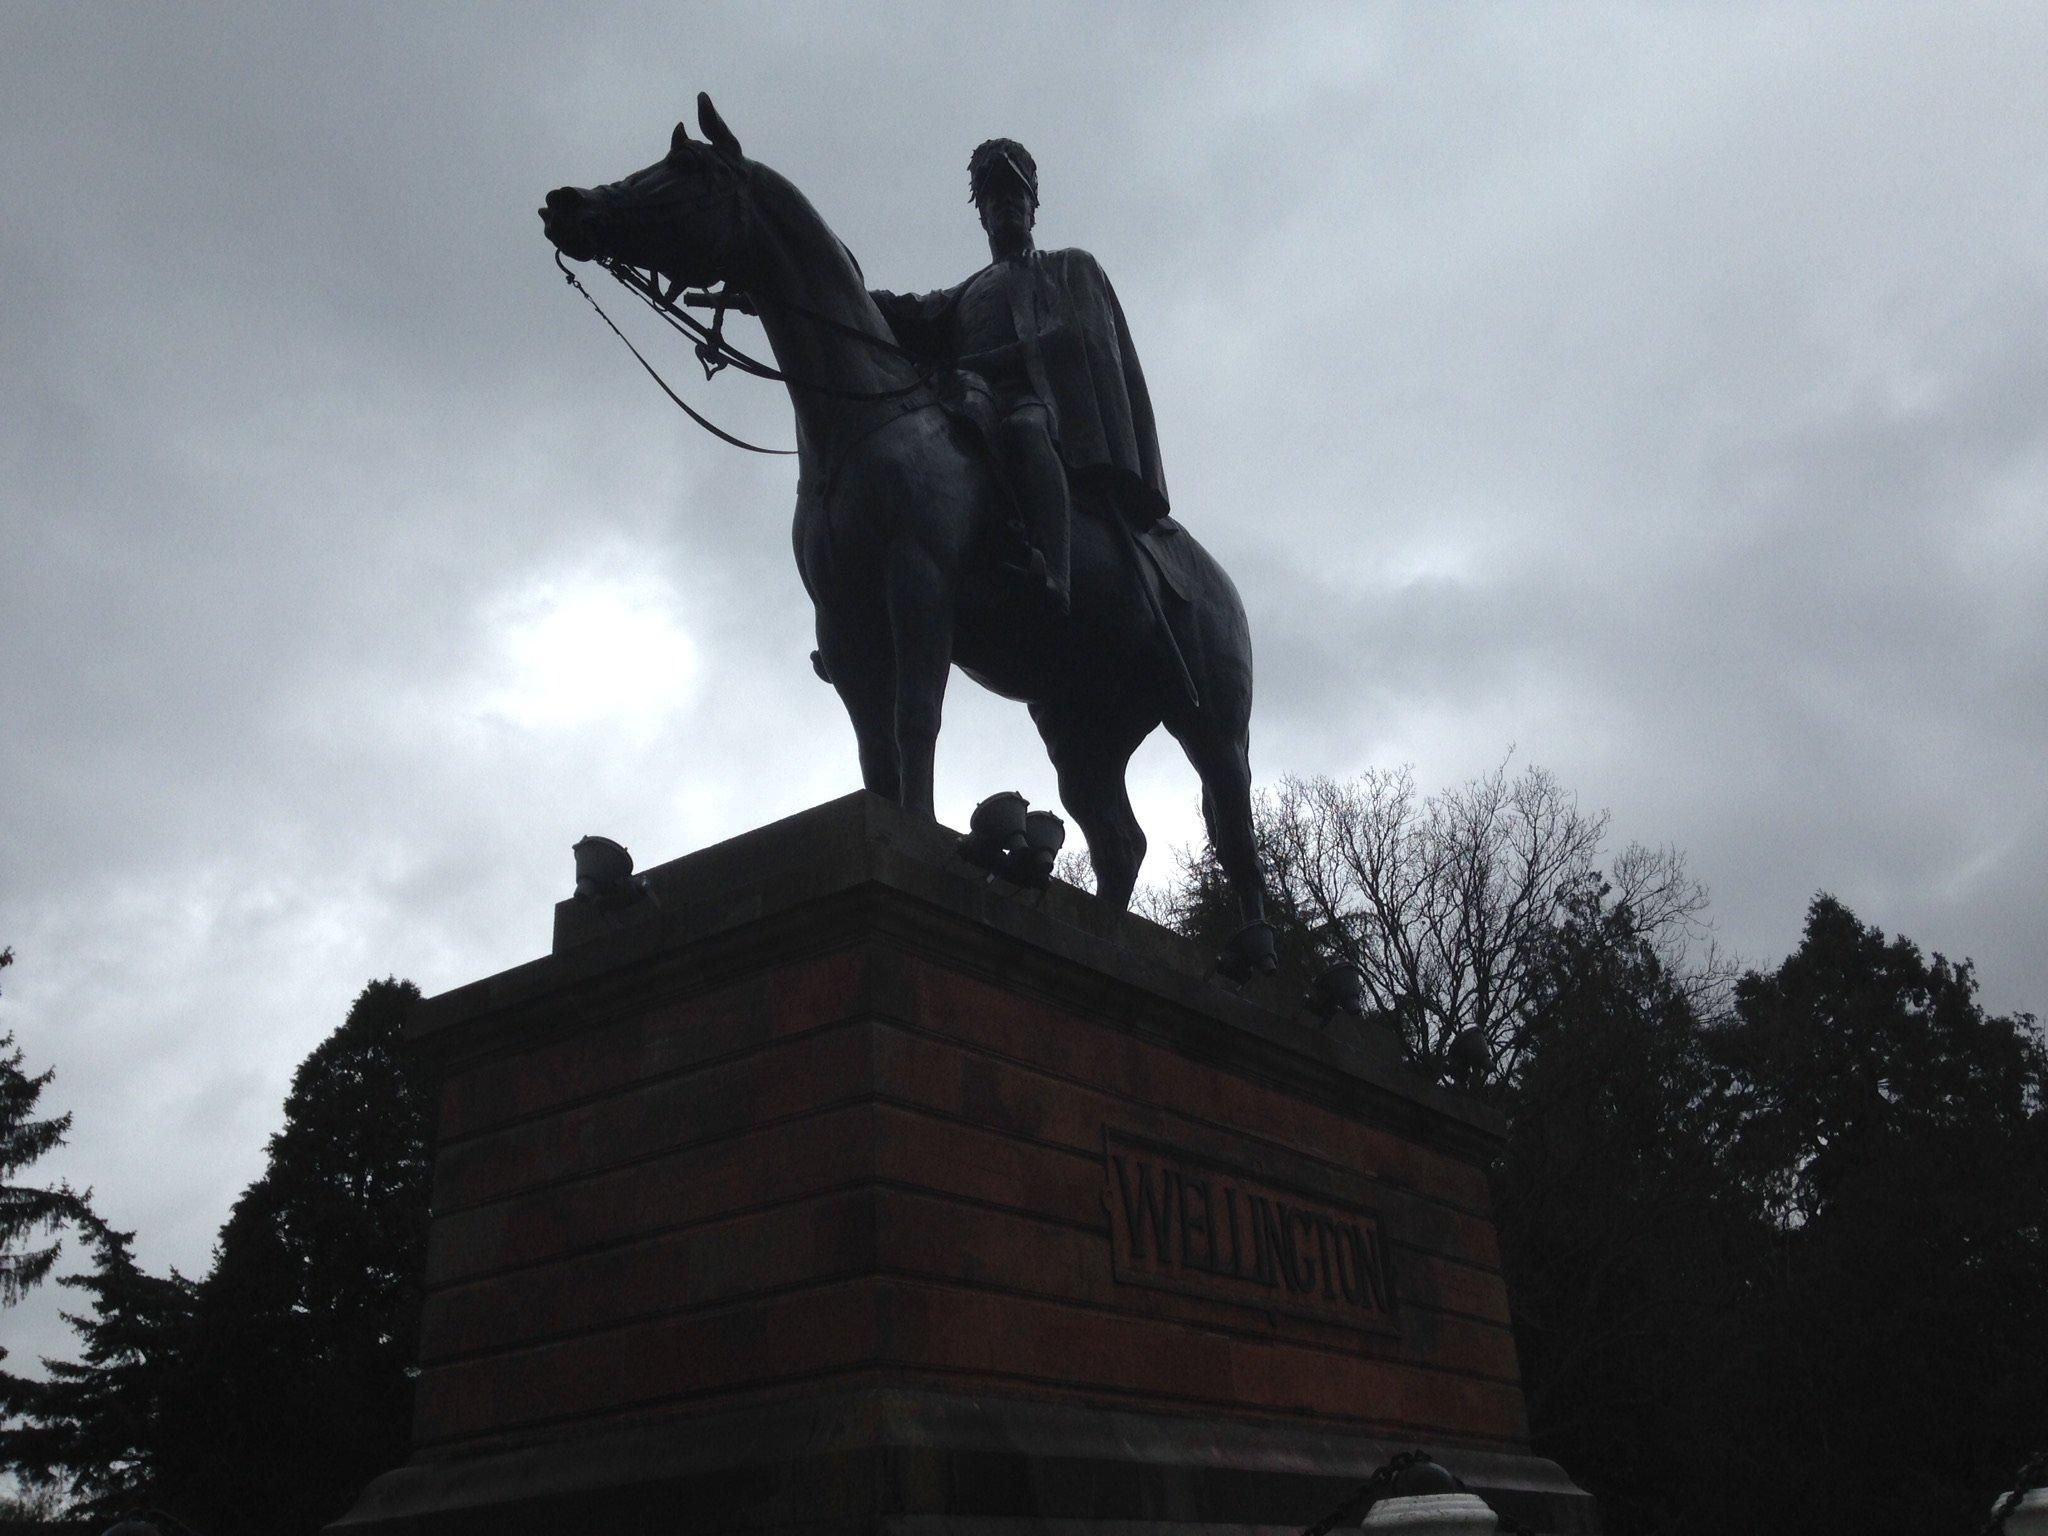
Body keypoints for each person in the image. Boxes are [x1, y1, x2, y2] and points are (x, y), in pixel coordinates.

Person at [870, 139, 1169, 614]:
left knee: (1025, 430)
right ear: (982, 216)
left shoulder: (1067, 267)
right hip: (968, 398)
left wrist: (988, 363)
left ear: (1033, 207)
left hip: (1037, 399)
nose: (1006, 203)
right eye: (994, 196)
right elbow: (908, 313)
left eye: (1016, 194)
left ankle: (1055, 573)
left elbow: (1076, 340)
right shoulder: (967, 291)